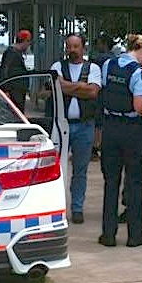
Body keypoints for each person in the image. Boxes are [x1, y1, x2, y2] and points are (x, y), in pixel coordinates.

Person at [99, 34, 142, 247]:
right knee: (134, 183)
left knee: (111, 182)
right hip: (131, 130)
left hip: (110, 128)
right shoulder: (139, 72)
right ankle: (135, 235)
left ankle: (108, 234)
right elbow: (138, 105)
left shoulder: (108, 65)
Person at [51, 34, 101, 224]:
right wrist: (81, 86)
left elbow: (93, 91)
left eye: (76, 46)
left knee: (80, 169)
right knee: (57, 169)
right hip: (61, 125)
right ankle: (58, 208)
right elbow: (59, 87)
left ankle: (77, 208)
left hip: (85, 125)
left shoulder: (93, 68)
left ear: (83, 47)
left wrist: (70, 87)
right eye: (69, 46)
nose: (72, 50)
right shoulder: (57, 66)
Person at [90, 34, 116, 160]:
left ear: (104, 44)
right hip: (110, 93)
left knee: (97, 121)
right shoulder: (114, 59)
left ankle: (94, 148)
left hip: (99, 93)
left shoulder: (99, 59)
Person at [0, 30, 32, 110]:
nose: (29, 45)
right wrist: (5, 90)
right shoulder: (12, 53)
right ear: (25, 41)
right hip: (13, 92)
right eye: (28, 42)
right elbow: (4, 70)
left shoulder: (16, 53)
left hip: (17, 92)